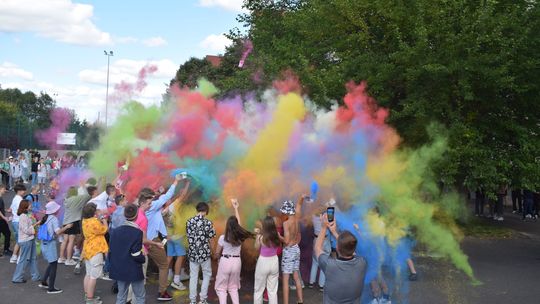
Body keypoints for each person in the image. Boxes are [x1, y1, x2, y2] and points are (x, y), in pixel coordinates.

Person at [144, 174, 183, 301]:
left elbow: (167, 201)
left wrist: (165, 239)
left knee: (144, 264)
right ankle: (162, 292)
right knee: (164, 265)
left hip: (154, 239)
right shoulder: (154, 206)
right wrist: (176, 181)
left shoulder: (148, 208)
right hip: (153, 241)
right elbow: (167, 197)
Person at [314, 214, 367, 304]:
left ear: (337, 248)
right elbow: (349, 248)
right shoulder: (362, 263)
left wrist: (323, 227)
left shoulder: (330, 265)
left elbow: (317, 248)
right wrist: (334, 231)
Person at [214, 199, 254, 304]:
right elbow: (239, 225)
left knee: (221, 289)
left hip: (225, 262)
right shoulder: (240, 236)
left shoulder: (223, 238)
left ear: (227, 225)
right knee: (233, 288)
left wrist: (217, 257)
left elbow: (217, 253)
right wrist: (236, 208)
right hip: (237, 263)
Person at [109, 204, 146, 304]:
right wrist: (143, 258)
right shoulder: (137, 232)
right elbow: (136, 254)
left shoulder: (115, 231)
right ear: (136, 215)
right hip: (133, 269)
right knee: (139, 296)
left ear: (124, 214)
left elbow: (112, 249)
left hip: (119, 268)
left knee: (121, 296)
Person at [162, 178, 191, 291]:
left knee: (169, 257)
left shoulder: (164, 210)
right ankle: (176, 281)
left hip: (169, 237)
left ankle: (166, 277)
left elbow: (178, 198)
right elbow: (183, 196)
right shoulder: (174, 206)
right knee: (180, 257)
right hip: (178, 236)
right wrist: (188, 183)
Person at [38, 199, 73, 294]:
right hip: (50, 244)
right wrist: (66, 227)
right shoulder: (54, 219)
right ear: (54, 210)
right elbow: (57, 232)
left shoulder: (46, 217)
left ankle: (44, 281)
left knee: (51, 263)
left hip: (43, 243)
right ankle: (51, 287)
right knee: (54, 265)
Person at [187, 202, 216, 304]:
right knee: (207, 275)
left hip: (193, 253)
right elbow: (212, 240)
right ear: (206, 211)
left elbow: (189, 237)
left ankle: (193, 300)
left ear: (197, 209)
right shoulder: (208, 223)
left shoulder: (189, 222)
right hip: (204, 254)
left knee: (193, 276)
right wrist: (214, 253)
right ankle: (202, 299)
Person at [279, 196, 306, 304]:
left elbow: (285, 241)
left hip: (289, 250)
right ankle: (300, 300)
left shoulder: (286, 223)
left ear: (286, 212)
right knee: (296, 276)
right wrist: (301, 198)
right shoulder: (296, 219)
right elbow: (299, 205)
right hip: (296, 249)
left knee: (285, 280)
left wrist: (278, 236)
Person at [60, 186, 96, 265]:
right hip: (73, 221)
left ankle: (61, 257)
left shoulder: (67, 199)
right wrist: (83, 187)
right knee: (71, 241)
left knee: (65, 240)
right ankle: (69, 259)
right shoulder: (77, 199)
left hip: (66, 221)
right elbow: (87, 196)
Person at [82, 203, 108, 304]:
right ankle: (90, 298)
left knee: (88, 274)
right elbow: (105, 229)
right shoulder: (94, 222)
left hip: (88, 249)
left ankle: (87, 294)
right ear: (93, 212)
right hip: (96, 250)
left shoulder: (85, 220)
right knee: (94, 276)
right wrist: (103, 218)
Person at [253, 216, 282, 304]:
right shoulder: (277, 235)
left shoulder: (261, 237)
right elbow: (279, 246)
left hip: (263, 262)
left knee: (258, 290)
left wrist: (257, 235)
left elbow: (256, 248)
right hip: (274, 261)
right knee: (272, 291)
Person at [12, 199, 41, 283]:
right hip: (26, 240)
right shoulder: (23, 216)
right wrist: (35, 225)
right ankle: (17, 278)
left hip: (29, 239)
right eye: (30, 204)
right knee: (24, 259)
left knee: (33, 258)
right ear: (26, 206)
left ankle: (35, 275)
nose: (31, 206)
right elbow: (26, 230)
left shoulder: (25, 215)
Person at [309, 203, 331, 291]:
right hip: (325, 240)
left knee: (315, 262)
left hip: (316, 239)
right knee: (324, 262)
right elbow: (331, 212)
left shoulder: (313, 217)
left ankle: (311, 282)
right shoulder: (326, 217)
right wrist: (328, 205)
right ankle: (321, 285)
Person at [8, 183, 27, 263]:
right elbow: (24, 210)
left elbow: (10, 209)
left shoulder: (15, 198)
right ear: (19, 191)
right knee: (23, 241)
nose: (24, 192)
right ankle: (20, 258)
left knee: (18, 241)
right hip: (20, 221)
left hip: (15, 221)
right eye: (23, 190)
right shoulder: (20, 200)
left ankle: (14, 257)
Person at [0, 184, 13, 255]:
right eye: (4, 189)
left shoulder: (1, 198)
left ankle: (6, 249)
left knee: (7, 233)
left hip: (1, 219)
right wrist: (4, 217)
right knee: (8, 233)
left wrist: (6, 210)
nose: (5, 191)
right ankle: (6, 249)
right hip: (1, 220)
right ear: (0, 189)